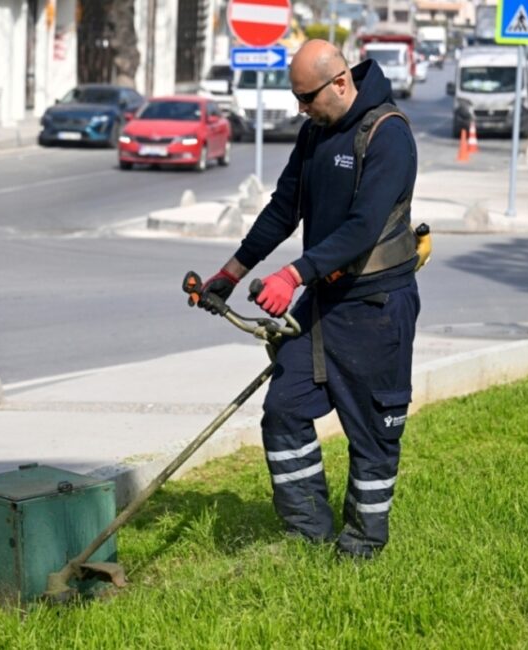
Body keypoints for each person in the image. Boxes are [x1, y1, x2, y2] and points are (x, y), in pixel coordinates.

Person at [198, 39, 421, 560]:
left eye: (306, 97)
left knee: (372, 436)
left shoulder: (388, 136)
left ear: (340, 82)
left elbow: (363, 227)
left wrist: (293, 274)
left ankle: (362, 547)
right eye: (296, 99)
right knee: (284, 409)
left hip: (375, 308)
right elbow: (282, 210)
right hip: (324, 305)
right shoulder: (315, 132)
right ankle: (308, 533)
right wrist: (231, 273)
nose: (300, 109)